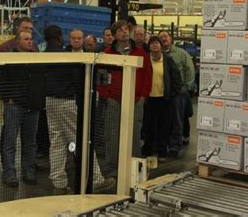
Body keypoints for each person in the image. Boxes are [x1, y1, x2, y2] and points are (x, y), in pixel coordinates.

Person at [43, 25, 115, 193]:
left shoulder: (44, 55)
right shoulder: (67, 57)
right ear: (61, 37)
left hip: (50, 102)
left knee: (57, 142)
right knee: (81, 139)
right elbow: (78, 81)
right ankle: (96, 179)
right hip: (67, 103)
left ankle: (58, 181)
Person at [98, 20, 152, 178]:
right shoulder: (107, 54)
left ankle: (133, 166)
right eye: (120, 31)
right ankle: (112, 167)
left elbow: (147, 76)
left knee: (135, 133)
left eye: (126, 29)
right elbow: (101, 78)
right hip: (114, 99)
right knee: (112, 133)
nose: (124, 32)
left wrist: (143, 96)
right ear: (114, 35)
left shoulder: (140, 53)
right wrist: (106, 96)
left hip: (135, 99)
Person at [0, 31, 43, 187]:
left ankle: (28, 171)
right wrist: (7, 98)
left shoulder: (37, 58)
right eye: (26, 39)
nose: (30, 42)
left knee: (30, 143)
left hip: (33, 106)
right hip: (14, 106)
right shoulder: (9, 58)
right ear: (18, 43)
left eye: (31, 39)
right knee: (10, 142)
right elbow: (0, 79)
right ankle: (9, 173)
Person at [142, 36, 182, 163]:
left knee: (163, 127)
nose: (154, 45)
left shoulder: (168, 60)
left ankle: (162, 152)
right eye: (152, 43)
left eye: (157, 43)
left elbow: (176, 78)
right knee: (148, 126)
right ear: (149, 46)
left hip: (164, 100)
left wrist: (172, 94)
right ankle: (147, 151)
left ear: (161, 46)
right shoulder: (145, 60)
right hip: (149, 100)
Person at [158, 30, 196, 153]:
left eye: (165, 36)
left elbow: (189, 70)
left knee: (177, 120)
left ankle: (175, 145)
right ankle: (164, 143)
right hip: (161, 92)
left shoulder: (181, 54)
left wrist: (185, 87)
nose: (163, 39)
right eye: (161, 37)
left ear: (171, 38)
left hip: (178, 92)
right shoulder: (157, 55)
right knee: (164, 119)